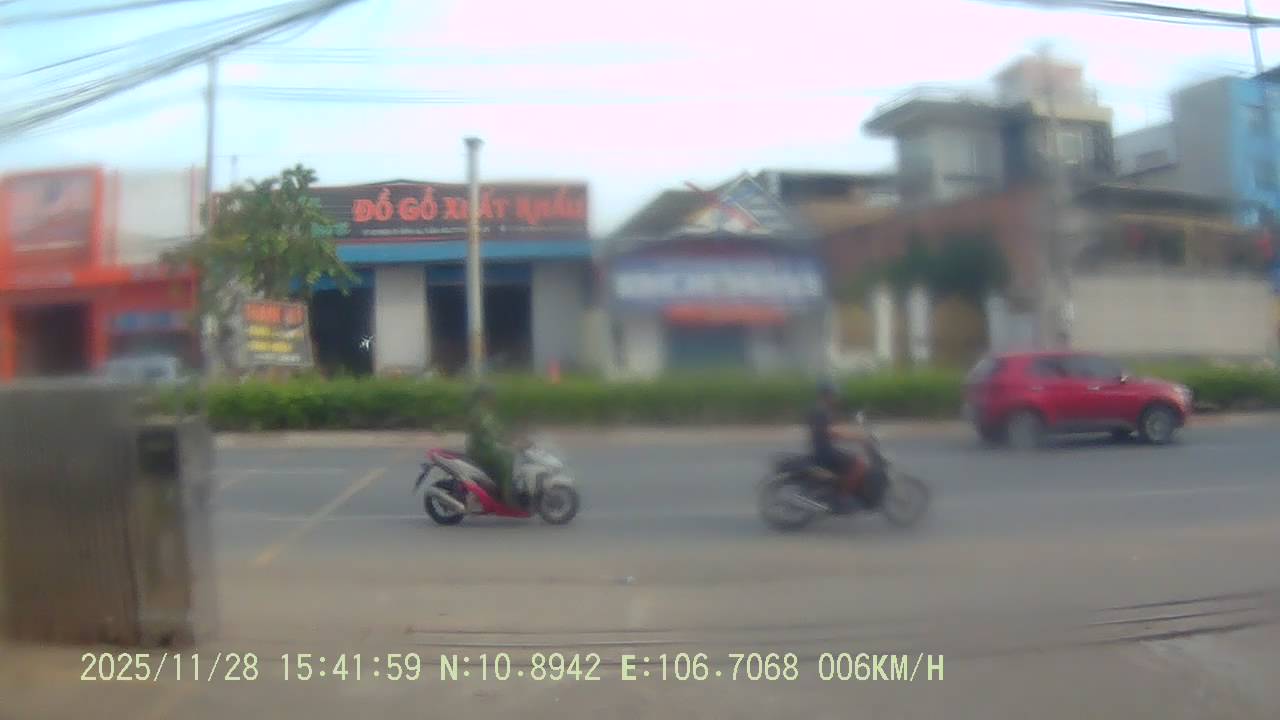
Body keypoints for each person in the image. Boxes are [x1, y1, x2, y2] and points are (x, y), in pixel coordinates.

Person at [808, 379, 870, 507]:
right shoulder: (820, 411)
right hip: (824, 452)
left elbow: (832, 429)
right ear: (826, 395)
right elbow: (831, 432)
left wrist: (852, 433)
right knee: (860, 464)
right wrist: (857, 436)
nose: (836, 397)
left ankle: (839, 489)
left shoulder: (821, 409)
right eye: (834, 394)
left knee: (852, 457)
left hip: (823, 449)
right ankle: (842, 497)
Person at [465, 383, 520, 505]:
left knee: (511, 454)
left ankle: (497, 487)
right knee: (508, 459)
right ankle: (506, 496)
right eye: (490, 395)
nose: (493, 397)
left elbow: (498, 430)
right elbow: (487, 431)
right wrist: (504, 441)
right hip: (480, 448)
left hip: (487, 446)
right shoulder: (478, 412)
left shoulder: (487, 412)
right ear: (483, 397)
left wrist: (513, 436)